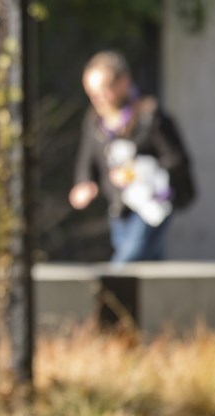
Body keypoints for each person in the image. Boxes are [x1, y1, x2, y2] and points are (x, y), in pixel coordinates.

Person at [68, 50, 195, 263]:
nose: (98, 99)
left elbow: (177, 160)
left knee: (125, 266)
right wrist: (84, 183)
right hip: (119, 209)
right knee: (148, 268)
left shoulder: (150, 116)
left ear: (123, 82)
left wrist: (137, 172)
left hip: (151, 205)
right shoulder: (93, 122)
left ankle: (104, 296)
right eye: (92, 93)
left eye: (104, 90)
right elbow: (87, 160)